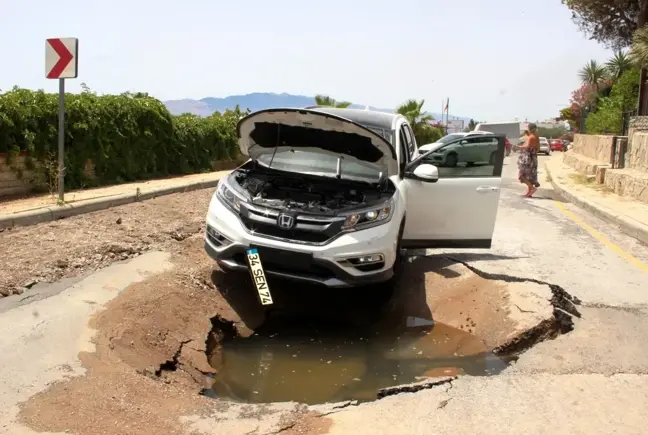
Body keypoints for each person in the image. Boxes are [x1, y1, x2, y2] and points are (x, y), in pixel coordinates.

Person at [517, 123, 540, 197]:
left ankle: (532, 188)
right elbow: (538, 149)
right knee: (530, 176)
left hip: (527, 159)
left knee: (522, 175)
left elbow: (527, 147)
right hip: (533, 158)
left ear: (530, 128)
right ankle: (529, 193)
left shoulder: (531, 137)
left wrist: (519, 147)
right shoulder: (536, 137)